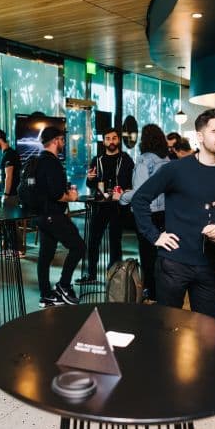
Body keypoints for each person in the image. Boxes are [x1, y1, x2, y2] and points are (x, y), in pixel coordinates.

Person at [131, 109, 215, 317]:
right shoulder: (176, 169)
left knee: (209, 331)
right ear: (200, 136)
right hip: (173, 264)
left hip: (209, 265)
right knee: (167, 329)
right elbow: (140, 199)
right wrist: (154, 236)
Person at [119, 124, 170, 301]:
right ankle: (161, 293)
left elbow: (141, 194)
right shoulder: (167, 160)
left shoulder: (144, 160)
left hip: (147, 213)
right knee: (161, 255)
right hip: (164, 213)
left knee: (147, 256)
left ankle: (151, 293)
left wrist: (122, 196)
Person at [34, 126, 84, 307]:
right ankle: (63, 285)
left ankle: (46, 295)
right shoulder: (52, 162)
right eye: (62, 140)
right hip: (54, 215)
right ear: (55, 141)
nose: (64, 143)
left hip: (41, 215)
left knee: (45, 256)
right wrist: (70, 197)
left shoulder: (39, 160)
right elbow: (56, 193)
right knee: (79, 247)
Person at [85, 127, 134, 282]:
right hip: (100, 205)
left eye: (114, 138)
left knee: (115, 241)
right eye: (108, 138)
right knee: (93, 240)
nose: (111, 141)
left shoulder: (126, 159)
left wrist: (124, 192)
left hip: (118, 206)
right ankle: (91, 274)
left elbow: (132, 183)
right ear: (104, 141)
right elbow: (90, 183)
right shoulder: (97, 159)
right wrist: (90, 178)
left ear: (118, 140)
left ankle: (114, 275)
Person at [0, 128, 23, 254]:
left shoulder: (9, 154)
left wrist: (6, 194)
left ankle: (18, 249)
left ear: (0, 140)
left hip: (12, 193)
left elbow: (9, 176)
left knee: (11, 221)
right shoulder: (10, 153)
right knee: (8, 220)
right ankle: (9, 247)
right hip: (13, 192)